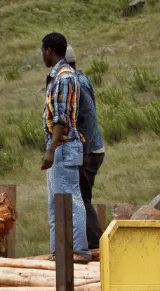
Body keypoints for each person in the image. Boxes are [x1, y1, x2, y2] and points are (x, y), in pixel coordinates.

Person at [40, 32, 89, 261]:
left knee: (70, 199)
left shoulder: (65, 77)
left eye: (43, 51)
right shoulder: (57, 76)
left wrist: (51, 149)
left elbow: (62, 118)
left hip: (64, 146)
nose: (42, 56)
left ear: (49, 50)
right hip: (58, 147)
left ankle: (78, 249)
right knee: (55, 202)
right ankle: (58, 250)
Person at [66, 45, 106, 250]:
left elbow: (89, 117)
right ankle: (89, 243)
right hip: (92, 148)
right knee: (82, 196)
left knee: (82, 198)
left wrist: (84, 150)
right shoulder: (82, 78)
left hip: (89, 150)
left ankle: (94, 245)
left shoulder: (76, 84)